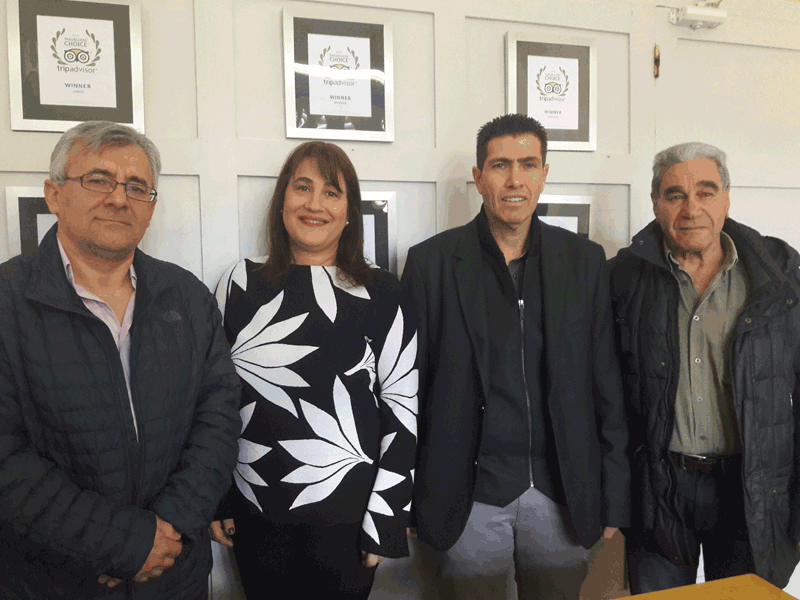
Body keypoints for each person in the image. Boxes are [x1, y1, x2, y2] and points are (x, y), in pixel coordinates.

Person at [0, 121, 242, 599]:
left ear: (150, 206)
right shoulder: (7, 300)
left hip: (175, 573)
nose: (118, 198)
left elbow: (218, 418)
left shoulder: (187, 296)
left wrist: (167, 530)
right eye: (98, 180)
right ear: (53, 195)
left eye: (136, 186)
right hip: (53, 580)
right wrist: (121, 544)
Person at [402, 114, 629, 599]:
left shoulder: (585, 261)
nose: (514, 179)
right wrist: (409, 495)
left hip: (563, 494)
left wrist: (614, 495)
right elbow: (409, 390)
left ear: (544, 174)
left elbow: (606, 385)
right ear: (479, 176)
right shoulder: (430, 264)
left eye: (528, 164)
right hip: (465, 496)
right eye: (500, 165)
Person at [210, 141, 418, 598]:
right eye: (302, 187)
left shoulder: (383, 292)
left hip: (351, 516)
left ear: (349, 212)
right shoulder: (238, 283)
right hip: (255, 505)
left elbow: (403, 408)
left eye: (331, 192)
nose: (314, 204)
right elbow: (214, 401)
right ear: (282, 199)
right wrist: (217, 497)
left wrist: (385, 518)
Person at [609, 142, 800, 592]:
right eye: (675, 195)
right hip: (659, 488)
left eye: (706, 192)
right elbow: (603, 395)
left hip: (752, 488)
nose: (691, 208)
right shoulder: (623, 277)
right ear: (655, 202)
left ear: (727, 198)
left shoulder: (780, 275)